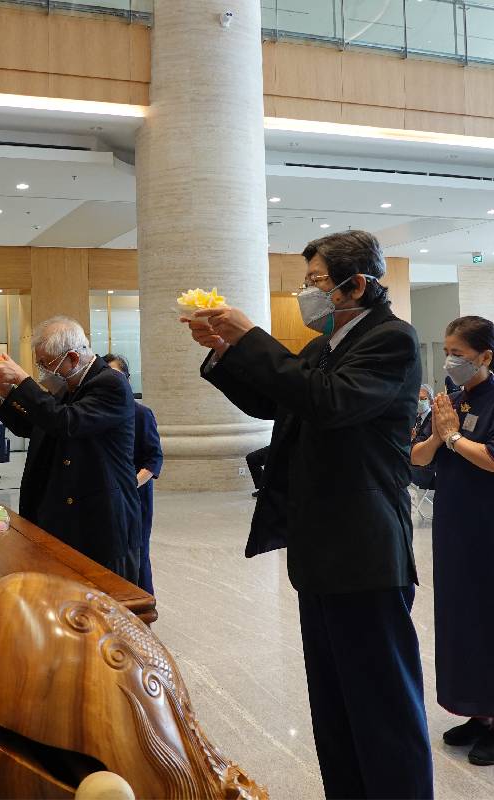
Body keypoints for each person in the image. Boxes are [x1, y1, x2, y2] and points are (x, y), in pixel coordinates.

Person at [182, 230, 433, 798]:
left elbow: (329, 401)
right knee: (334, 699)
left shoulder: (391, 339)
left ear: (359, 284)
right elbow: (278, 400)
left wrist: (252, 336)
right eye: (308, 282)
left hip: (365, 549)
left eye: (317, 281)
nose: (308, 292)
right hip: (320, 545)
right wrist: (227, 351)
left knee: (383, 701)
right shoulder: (326, 346)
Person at [411, 316, 494, 767]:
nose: (450, 360)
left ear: (484, 356)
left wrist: (453, 436)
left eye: (458, 353)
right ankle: (476, 714)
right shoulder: (449, 401)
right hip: (452, 526)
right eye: (447, 351)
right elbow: (417, 455)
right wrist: (442, 435)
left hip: (492, 530)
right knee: (460, 621)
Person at [0, 317, 141, 583]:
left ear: (72, 357)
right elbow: (31, 427)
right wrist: (6, 391)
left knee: (102, 602)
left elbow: (66, 422)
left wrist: (23, 380)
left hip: (99, 517)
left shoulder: (110, 383)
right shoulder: (66, 385)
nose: (43, 370)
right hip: (62, 513)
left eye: (45, 363)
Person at [105, 353, 163, 595]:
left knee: (138, 553)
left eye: (117, 377)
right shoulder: (100, 414)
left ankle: (143, 611)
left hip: (135, 496)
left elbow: (154, 459)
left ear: (127, 380)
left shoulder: (141, 413)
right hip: (109, 497)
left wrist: (129, 485)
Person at [412, 384, 436, 492]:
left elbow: (424, 440)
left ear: (431, 401)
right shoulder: (415, 418)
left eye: (423, 399)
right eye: (417, 399)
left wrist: (412, 439)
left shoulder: (433, 419)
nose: (419, 402)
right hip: (414, 459)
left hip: (426, 467)